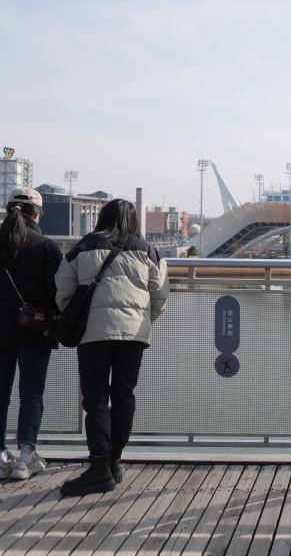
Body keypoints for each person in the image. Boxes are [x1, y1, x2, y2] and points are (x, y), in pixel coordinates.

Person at [55, 198, 169, 496]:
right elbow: (160, 296)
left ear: (102, 217)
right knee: (124, 395)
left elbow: (62, 288)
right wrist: (142, 321)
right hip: (134, 334)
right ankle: (114, 461)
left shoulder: (84, 246)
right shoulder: (147, 250)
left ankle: (99, 469)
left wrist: (79, 316)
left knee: (95, 400)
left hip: (93, 334)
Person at [0, 187, 62, 481]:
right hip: (33, 330)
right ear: (37, 214)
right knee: (31, 394)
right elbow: (58, 292)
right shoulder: (46, 247)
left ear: (8, 211)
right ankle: (25, 458)